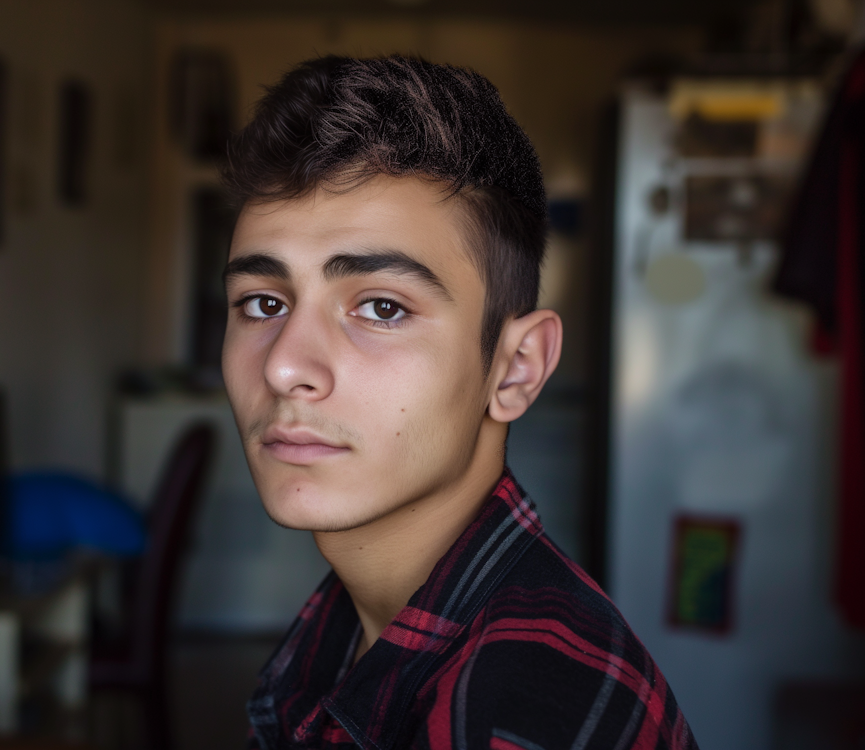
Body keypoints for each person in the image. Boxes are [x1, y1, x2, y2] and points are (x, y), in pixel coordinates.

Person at [220, 55, 697, 750]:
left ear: (515, 369)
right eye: (263, 303)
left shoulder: (517, 714)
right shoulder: (358, 619)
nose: (287, 365)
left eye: (381, 307)